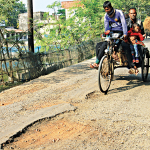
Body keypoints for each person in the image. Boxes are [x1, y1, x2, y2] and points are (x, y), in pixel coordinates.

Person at [90, 1, 127, 69]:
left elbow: (124, 24)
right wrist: (106, 33)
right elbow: (106, 27)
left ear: (111, 7)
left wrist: (125, 34)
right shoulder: (106, 15)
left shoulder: (119, 13)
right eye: (105, 9)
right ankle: (97, 62)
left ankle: (114, 54)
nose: (106, 11)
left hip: (120, 32)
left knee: (116, 44)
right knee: (102, 45)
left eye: (108, 9)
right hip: (112, 33)